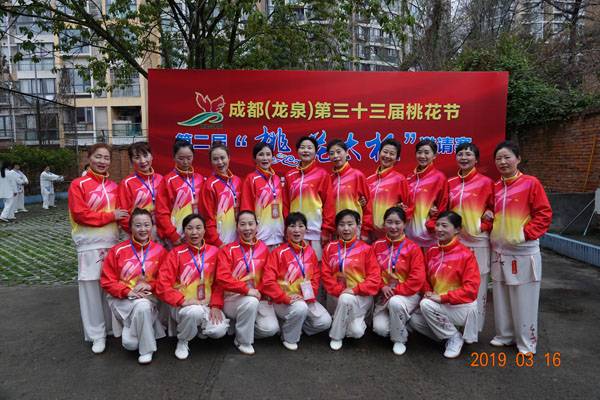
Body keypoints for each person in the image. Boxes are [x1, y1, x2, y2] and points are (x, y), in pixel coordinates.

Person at [489, 141, 552, 355]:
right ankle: (505, 335)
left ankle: (527, 342)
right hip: (499, 252)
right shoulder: (495, 187)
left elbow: (544, 214)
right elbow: (491, 214)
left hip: (523, 252)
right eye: (499, 158)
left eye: (507, 157)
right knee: (501, 295)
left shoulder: (531, 183)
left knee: (524, 298)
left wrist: (524, 234)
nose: (503, 162)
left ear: (518, 159)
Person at [68, 143, 129, 354]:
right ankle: (96, 335)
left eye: (106, 158)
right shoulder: (78, 184)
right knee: (91, 290)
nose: (102, 161)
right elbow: (80, 215)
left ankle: (113, 329)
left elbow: (123, 214)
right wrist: (111, 216)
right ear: (89, 157)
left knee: (110, 288)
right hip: (89, 245)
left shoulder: (113, 186)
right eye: (98, 157)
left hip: (112, 244)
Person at [155, 214, 229, 360]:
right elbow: (162, 285)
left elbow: (219, 283)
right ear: (184, 231)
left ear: (204, 230)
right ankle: (183, 340)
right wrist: (182, 300)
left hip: (206, 304)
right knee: (194, 312)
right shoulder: (175, 254)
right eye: (189, 228)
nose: (194, 232)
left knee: (219, 331)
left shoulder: (215, 252)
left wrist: (216, 305)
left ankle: (198, 328)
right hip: (182, 306)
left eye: (198, 228)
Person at [100, 208, 168, 364]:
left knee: (131, 342)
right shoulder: (117, 250)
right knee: (141, 309)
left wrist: (150, 286)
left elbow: (165, 281)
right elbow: (107, 281)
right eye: (138, 225)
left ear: (152, 226)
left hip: (148, 298)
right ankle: (147, 346)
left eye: (147, 225)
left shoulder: (160, 251)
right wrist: (127, 291)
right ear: (130, 227)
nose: (143, 229)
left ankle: (138, 338)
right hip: (122, 300)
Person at [409, 211, 480, 359]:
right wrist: (427, 291)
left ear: (457, 229)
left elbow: (471, 289)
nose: (439, 229)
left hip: (461, 306)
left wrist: (443, 298)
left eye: (444, 226)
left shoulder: (466, 255)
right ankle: (450, 335)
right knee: (414, 320)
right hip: (438, 304)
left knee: (426, 304)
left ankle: (454, 338)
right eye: (437, 225)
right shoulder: (432, 251)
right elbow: (424, 277)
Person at [262, 212, 332, 350]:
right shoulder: (278, 252)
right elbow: (268, 281)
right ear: (286, 230)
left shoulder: (310, 252)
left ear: (306, 229)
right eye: (292, 226)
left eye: (301, 226)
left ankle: (292, 325)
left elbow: (315, 278)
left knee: (325, 322)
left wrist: (307, 296)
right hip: (282, 301)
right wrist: (285, 298)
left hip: (304, 299)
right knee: (300, 308)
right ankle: (289, 338)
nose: (296, 230)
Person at [215, 210, 279, 355]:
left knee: (271, 329)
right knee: (250, 301)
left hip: (258, 297)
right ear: (237, 227)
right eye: (243, 224)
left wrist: (267, 293)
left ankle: (241, 329)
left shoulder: (263, 248)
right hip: (233, 298)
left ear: (257, 226)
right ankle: (243, 341)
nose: (247, 228)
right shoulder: (228, 249)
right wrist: (246, 290)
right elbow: (222, 277)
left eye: (251, 224)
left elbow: (268, 276)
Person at [448, 142, 494, 331]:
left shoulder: (486, 183)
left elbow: (494, 209)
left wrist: (483, 226)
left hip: (478, 242)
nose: (464, 158)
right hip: (455, 242)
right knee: (454, 283)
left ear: (476, 159)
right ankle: (454, 327)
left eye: (468, 154)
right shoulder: (450, 183)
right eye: (460, 154)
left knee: (478, 286)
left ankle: (473, 329)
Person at [321, 209, 380, 350]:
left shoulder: (366, 249)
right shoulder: (329, 248)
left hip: (360, 296)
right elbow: (326, 275)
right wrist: (340, 290)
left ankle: (336, 334)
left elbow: (374, 278)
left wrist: (354, 290)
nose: (346, 228)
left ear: (358, 226)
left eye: (350, 224)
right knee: (356, 331)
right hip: (336, 295)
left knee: (347, 301)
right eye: (342, 224)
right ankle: (348, 325)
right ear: (337, 227)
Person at [371, 207, 425, 355]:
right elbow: (371, 272)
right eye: (389, 222)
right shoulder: (376, 246)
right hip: (384, 294)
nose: (393, 227)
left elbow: (417, 278)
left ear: (404, 224)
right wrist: (382, 286)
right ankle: (404, 323)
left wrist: (396, 291)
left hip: (407, 295)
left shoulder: (413, 248)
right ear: (384, 224)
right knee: (380, 330)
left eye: (397, 223)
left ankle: (399, 339)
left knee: (395, 302)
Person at [283, 136, 335, 259]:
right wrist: (287, 226)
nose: (306, 150)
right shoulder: (290, 175)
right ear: (297, 151)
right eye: (302, 147)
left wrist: (326, 229)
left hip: (315, 232)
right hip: (294, 231)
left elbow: (328, 204)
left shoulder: (322, 175)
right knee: (294, 266)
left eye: (309, 148)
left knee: (315, 266)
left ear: (315, 152)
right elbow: (285, 204)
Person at [155, 140, 204, 249]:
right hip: (176, 236)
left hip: (197, 234)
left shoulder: (200, 179)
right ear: (174, 157)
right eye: (181, 158)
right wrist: (173, 235)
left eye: (189, 158)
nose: (185, 162)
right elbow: (161, 212)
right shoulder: (168, 180)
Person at [406, 139, 448, 250]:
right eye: (419, 152)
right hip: (409, 234)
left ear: (434, 155)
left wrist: (432, 225)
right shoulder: (409, 178)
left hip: (430, 235)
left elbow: (443, 205)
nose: (422, 156)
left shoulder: (439, 178)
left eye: (426, 152)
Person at [240, 142, 284, 248]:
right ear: (255, 159)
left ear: (272, 157)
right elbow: (246, 207)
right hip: (260, 236)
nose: (265, 158)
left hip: (278, 235)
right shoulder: (251, 179)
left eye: (268, 154)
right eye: (261, 154)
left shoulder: (276, 179)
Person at [367, 138, 411, 240]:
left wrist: (402, 211)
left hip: (390, 234)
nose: (387, 156)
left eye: (392, 154)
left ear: (397, 158)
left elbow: (408, 207)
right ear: (379, 153)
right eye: (385, 152)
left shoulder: (400, 180)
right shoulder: (368, 180)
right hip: (369, 234)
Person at [327, 139, 372, 240]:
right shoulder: (330, 179)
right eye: (332, 153)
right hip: (336, 230)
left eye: (338, 152)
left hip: (354, 228)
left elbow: (368, 205)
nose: (335, 156)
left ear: (347, 153)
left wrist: (365, 230)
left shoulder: (357, 176)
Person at [117, 142, 163, 239]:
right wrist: (137, 231)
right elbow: (123, 215)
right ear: (131, 161)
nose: (143, 161)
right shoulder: (127, 183)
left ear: (152, 157)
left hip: (159, 233)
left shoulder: (161, 179)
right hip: (136, 234)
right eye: (137, 157)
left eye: (145, 155)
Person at [200, 142, 242, 247]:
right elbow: (208, 218)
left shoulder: (237, 181)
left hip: (238, 239)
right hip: (220, 241)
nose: (220, 162)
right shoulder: (209, 185)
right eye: (215, 159)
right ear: (210, 162)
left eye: (222, 158)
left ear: (229, 158)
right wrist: (217, 242)